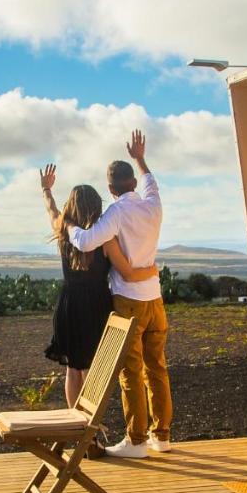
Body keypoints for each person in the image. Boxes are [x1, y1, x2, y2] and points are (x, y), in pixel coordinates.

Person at [62, 130, 171, 459]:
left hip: (128, 299)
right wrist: (140, 157)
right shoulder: (153, 203)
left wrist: (66, 223)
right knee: (158, 367)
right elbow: (150, 178)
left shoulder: (116, 214)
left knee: (130, 372)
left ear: (110, 189)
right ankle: (161, 436)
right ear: (133, 183)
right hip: (155, 298)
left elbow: (84, 242)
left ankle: (136, 440)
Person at [39, 167, 157, 409]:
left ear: (71, 206)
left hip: (69, 305)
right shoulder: (105, 239)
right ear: (97, 207)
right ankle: (89, 426)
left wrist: (46, 189)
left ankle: (79, 426)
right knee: (94, 368)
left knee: (74, 368)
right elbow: (128, 272)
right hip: (96, 305)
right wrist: (153, 270)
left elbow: (51, 209)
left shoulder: (63, 230)